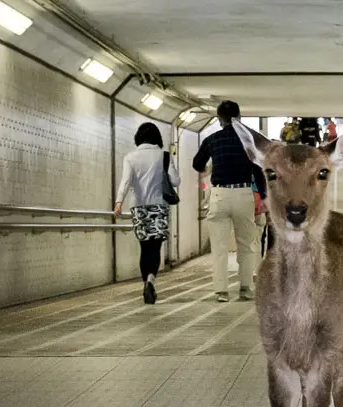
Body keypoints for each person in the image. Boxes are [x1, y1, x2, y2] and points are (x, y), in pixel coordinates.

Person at [193, 100, 266, 302]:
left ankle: (221, 292)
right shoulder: (248, 140)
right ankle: (245, 288)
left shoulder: (212, 140)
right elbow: (258, 170)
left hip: (219, 195)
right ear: (239, 117)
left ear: (219, 119)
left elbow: (196, 163)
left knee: (219, 247)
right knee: (247, 245)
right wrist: (263, 196)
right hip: (243, 194)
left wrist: (209, 168)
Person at [114, 122, 180, 305]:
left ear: (138, 137)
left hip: (139, 207)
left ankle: (145, 283)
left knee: (145, 247)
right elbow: (176, 181)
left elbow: (125, 181)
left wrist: (119, 202)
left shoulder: (130, 157)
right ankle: (151, 279)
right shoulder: (164, 156)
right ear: (157, 137)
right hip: (159, 206)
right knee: (155, 247)